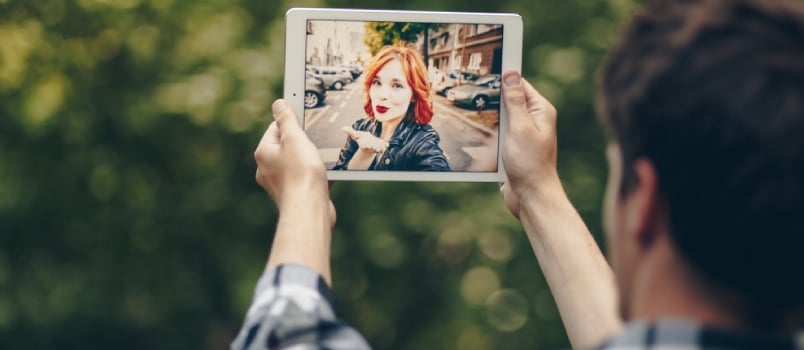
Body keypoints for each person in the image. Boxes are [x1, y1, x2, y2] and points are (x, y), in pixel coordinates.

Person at [233, 0, 804, 349]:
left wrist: (305, 198)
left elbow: (288, 335)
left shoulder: (424, 143)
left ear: (644, 200)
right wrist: (537, 189)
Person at [333, 45, 450, 171]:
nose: (382, 95)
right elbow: (335, 186)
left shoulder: (422, 141)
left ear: (414, 95)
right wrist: (363, 155)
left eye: (397, 86)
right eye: (377, 82)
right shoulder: (359, 129)